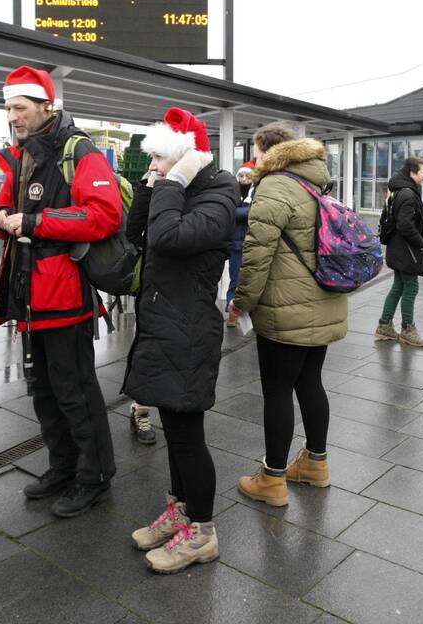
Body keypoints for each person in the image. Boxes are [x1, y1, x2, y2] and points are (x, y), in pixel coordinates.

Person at [0, 66, 121, 517]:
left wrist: (34, 222)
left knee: (75, 390)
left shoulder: (79, 151)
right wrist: (3, 216)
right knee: (43, 390)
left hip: (65, 295)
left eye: (19, 108)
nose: (13, 116)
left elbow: (104, 216)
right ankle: (62, 467)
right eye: (8, 108)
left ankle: (94, 477)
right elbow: (2, 209)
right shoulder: (20, 154)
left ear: (47, 106)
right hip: (28, 294)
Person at [122, 107, 237, 574]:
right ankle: (180, 512)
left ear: (186, 161)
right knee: (175, 432)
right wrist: (155, 185)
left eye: (159, 160)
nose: (153, 168)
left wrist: (172, 184)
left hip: (188, 330)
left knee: (189, 437)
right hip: (164, 323)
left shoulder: (219, 195)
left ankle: (203, 533)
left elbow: (167, 239)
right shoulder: (177, 188)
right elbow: (137, 234)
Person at [231, 123, 348, 508]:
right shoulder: (316, 181)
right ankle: (316, 465)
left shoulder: (275, 186)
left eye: (257, 151)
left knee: (278, 391)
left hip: (286, 306)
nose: (255, 159)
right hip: (323, 298)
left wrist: (242, 301)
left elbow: (256, 253)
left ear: (271, 152)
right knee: (311, 383)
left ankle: (273, 478)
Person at [375, 156, 423, 347]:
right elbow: (405, 225)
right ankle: (408, 330)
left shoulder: (399, 190)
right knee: (411, 288)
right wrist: (420, 242)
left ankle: (385, 325)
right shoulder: (408, 194)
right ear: (412, 173)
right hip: (407, 250)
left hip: (397, 248)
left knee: (398, 286)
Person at [225, 160, 255, 328]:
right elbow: (232, 212)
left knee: (250, 280)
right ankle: (232, 314)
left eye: (247, 176)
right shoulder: (234, 193)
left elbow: (252, 213)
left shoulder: (256, 192)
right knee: (235, 279)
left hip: (251, 243)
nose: (244, 179)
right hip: (236, 244)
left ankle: (249, 313)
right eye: (241, 175)